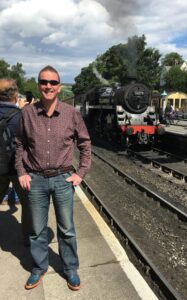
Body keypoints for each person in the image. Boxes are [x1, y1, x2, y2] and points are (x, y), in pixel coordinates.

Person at [15, 65, 91, 291]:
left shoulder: (72, 114)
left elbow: (85, 144)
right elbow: (19, 145)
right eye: (44, 82)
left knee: (66, 229)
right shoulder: (27, 113)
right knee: (37, 230)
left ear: (59, 87)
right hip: (35, 179)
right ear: (39, 85)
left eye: (53, 82)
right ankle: (38, 268)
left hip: (62, 179)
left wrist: (81, 173)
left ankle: (70, 269)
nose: (48, 86)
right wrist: (21, 172)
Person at [0, 78, 30, 245]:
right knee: (28, 205)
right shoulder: (21, 116)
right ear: (15, 95)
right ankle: (28, 238)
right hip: (18, 170)